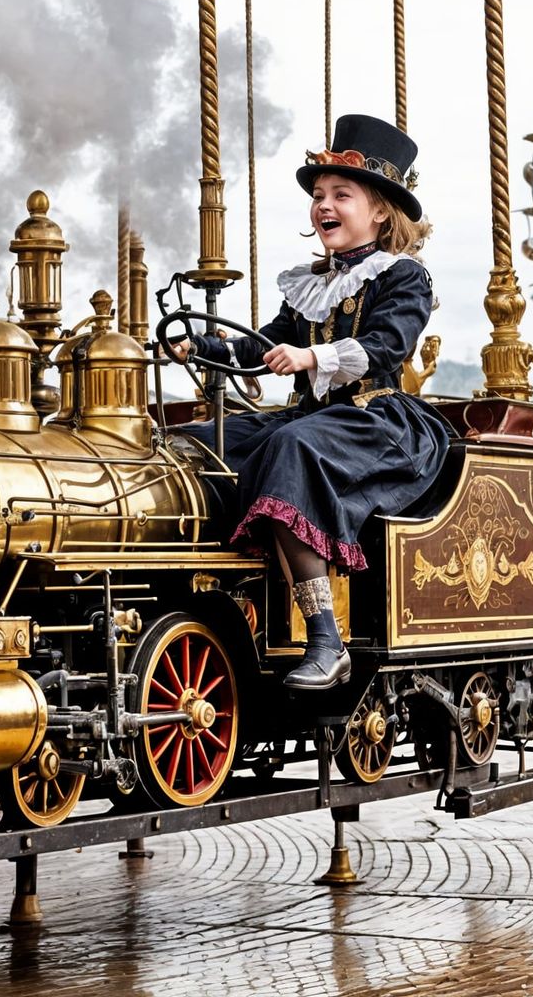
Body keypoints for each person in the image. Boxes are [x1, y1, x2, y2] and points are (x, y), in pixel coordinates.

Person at [172, 115, 451, 691]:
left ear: (379, 211)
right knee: (200, 443)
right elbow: (262, 342)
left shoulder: (404, 278)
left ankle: (327, 638)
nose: (324, 205)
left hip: (378, 419)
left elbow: (384, 348)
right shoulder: (311, 283)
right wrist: (199, 344)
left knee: (291, 446)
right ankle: (219, 601)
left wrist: (309, 360)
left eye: (340, 195)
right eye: (319, 195)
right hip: (315, 415)